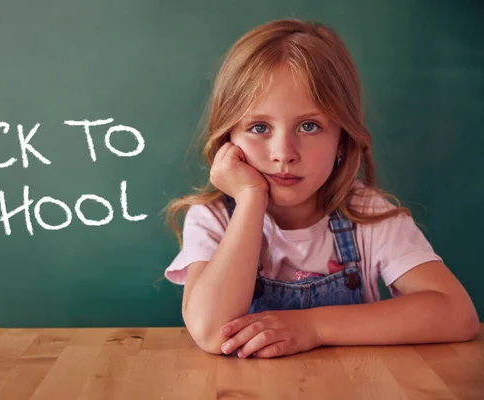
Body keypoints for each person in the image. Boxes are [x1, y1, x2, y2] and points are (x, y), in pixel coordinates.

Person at [162, 19, 479, 359]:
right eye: (258, 127)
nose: (283, 153)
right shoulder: (213, 218)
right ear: (229, 139)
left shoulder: (367, 216)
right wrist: (251, 199)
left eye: (309, 126)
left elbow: (457, 314)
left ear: (342, 138)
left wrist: (312, 326)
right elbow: (211, 331)